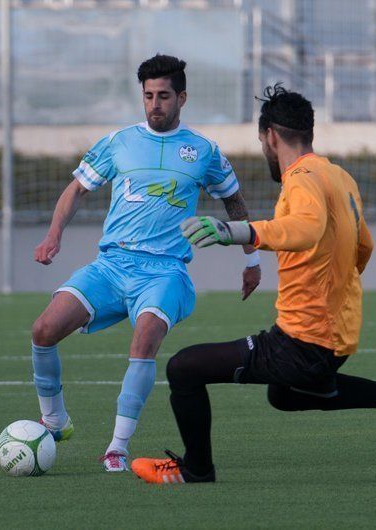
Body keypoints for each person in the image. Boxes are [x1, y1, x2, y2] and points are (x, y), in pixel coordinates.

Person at [130, 84, 376, 485]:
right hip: (337, 335)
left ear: (271, 135)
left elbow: (306, 229)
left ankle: (196, 469)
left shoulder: (301, 178)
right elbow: (364, 246)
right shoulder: (338, 176)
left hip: (303, 340)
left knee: (184, 368)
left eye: (262, 142)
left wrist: (235, 231)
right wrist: (334, 289)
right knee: (284, 395)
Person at [30, 54, 261, 472]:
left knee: (145, 339)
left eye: (164, 96)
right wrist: (53, 235)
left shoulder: (203, 150)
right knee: (43, 330)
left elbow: (234, 201)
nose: (155, 104)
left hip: (165, 271)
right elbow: (76, 189)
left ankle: (117, 446)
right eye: (149, 95)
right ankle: (55, 420)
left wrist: (253, 259)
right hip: (112, 265)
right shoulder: (119, 142)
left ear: (182, 98)